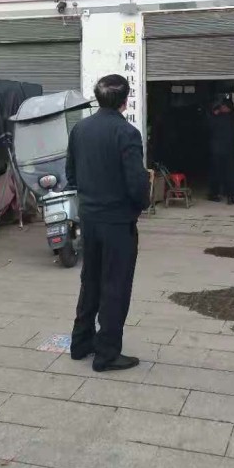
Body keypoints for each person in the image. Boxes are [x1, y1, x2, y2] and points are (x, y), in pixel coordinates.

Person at [66, 74, 150, 372]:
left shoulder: (80, 129)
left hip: (90, 218)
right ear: (125, 101)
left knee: (90, 280)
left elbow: (71, 174)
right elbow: (137, 183)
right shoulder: (126, 133)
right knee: (115, 286)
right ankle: (107, 354)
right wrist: (141, 205)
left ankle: (81, 343)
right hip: (117, 221)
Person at [207, 98, 234, 204]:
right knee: (231, 173)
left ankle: (215, 194)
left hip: (216, 151)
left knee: (216, 173)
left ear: (224, 107)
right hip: (231, 151)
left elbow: (208, 130)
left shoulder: (215, 119)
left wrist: (213, 114)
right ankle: (230, 196)